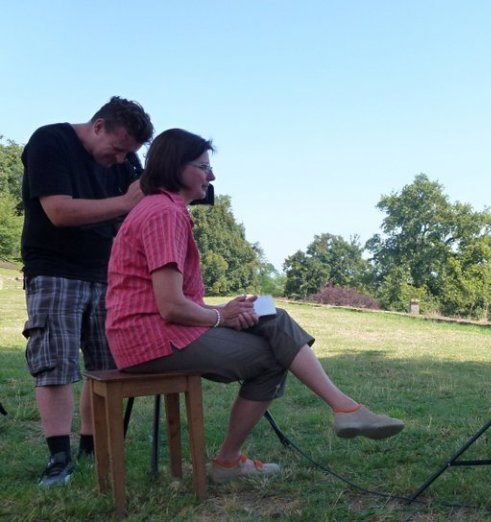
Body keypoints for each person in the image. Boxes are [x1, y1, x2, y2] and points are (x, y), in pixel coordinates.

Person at [105, 128, 404, 483]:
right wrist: (220, 316)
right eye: (203, 167)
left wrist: (226, 311)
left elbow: (170, 300)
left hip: (152, 332)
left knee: (269, 311)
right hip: (151, 340)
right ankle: (231, 462)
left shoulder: (161, 209)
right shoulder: (164, 214)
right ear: (176, 167)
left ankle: (346, 408)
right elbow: (169, 307)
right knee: (271, 359)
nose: (211, 176)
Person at [20, 96, 154, 486]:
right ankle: (58, 459)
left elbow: (138, 209)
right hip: (54, 268)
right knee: (55, 362)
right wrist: (126, 203)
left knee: (106, 367)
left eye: (128, 154)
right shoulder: (50, 142)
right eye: (116, 149)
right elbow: (59, 212)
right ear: (98, 126)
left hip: (107, 272)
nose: (120, 161)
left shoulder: (127, 162)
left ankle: (92, 450)